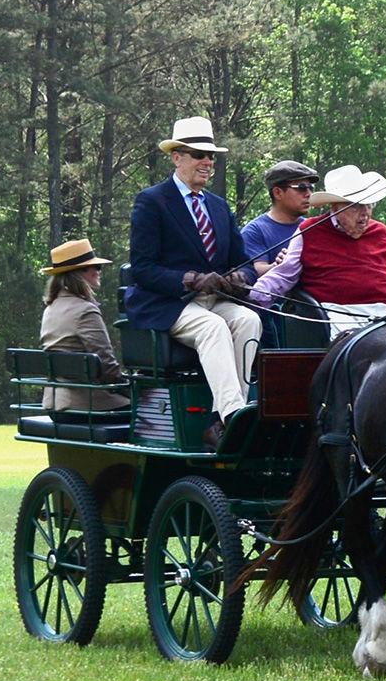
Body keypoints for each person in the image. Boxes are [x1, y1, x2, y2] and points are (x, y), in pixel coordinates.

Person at [125, 116, 262, 449]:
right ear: (177, 157)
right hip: (170, 303)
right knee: (213, 327)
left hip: (215, 301)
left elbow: (243, 262)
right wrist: (191, 280)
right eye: (199, 154)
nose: (207, 162)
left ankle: (218, 421)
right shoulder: (152, 201)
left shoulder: (218, 206)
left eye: (211, 156)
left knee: (248, 319)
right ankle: (235, 418)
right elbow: (142, 269)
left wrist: (238, 278)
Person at [249, 164, 386, 338]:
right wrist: (251, 299)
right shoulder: (309, 230)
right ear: (335, 207)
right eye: (355, 206)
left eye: (369, 205)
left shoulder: (381, 232)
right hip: (334, 316)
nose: (365, 214)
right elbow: (282, 276)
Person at [39, 238, 130, 413]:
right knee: (152, 411)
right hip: (86, 404)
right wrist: (130, 387)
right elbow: (107, 365)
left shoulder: (51, 308)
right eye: (95, 267)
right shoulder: (85, 310)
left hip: (54, 403)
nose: (99, 271)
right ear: (79, 272)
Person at [241, 160, 319, 277]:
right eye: (301, 187)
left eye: (310, 188)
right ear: (278, 193)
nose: (308, 194)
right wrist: (278, 265)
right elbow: (253, 271)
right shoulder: (254, 231)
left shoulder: (312, 227)